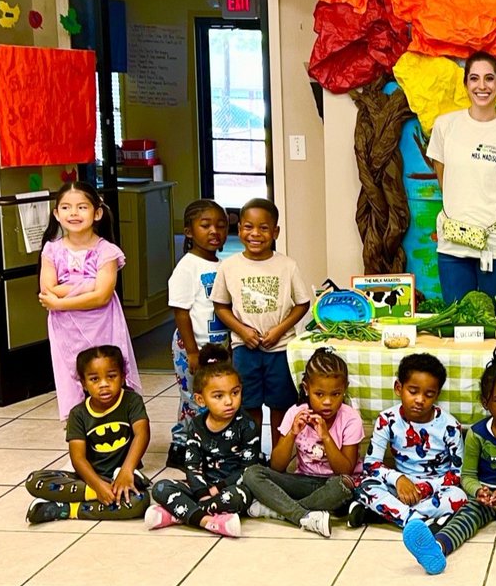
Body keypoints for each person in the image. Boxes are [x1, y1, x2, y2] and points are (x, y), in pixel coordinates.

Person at [401, 350, 496, 580]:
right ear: (486, 403)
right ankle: (437, 548)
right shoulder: (476, 433)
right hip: (483, 496)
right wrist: (479, 492)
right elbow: (468, 475)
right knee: (464, 518)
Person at [427, 51, 496, 305]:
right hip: (452, 247)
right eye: (474, 79)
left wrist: (488, 226)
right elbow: (444, 178)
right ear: (465, 84)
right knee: (457, 323)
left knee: (493, 326)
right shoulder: (445, 126)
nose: (481, 86)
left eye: (489, 79)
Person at [211, 198, 311, 446]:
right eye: (248, 227)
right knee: (248, 404)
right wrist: (242, 331)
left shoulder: (287, 265)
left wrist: (279, 329)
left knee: (281, 405)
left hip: (281, 349)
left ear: (275, 232)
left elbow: (302, 303)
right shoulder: (229, 266)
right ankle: (252, 454)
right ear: (239, 229)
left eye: (264, 228)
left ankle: (279, 455)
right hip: (245, 349)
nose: (255, 233)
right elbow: (220, 306)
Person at [38, 181, 142, 419]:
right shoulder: (51, 250)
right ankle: (79, 440)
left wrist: (61, 301)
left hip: (102, 326)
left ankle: (116, 437)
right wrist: (90, 284)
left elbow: (102, 296)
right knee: (72, 379)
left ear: (97, 213)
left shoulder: (107, 251)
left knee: (106, 374)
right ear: (56, 213)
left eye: (82, 207)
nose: (73, 213)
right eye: (65, 207)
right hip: (66, 331)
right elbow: (48, 290)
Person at [244, 348, 363, 538]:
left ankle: (282, 511)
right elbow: (277, 465)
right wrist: (292, 433)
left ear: (345, 389)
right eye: (319, 394)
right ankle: (304, 515)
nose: (327, 402)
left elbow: (345, 470)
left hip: (334, 484)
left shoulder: (350, 418)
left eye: (336, 394)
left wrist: (326, 437)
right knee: (252, 473)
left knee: (344, 486)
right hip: (303, 481)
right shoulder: (295, 412)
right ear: (306, 389)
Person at [25, 345, 151, 523]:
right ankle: (95, 496)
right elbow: (78, 458)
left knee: (139, 503)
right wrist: (97, 486)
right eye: (94, 379)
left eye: (111, 376)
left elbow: (142, 434)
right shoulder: (78, 414)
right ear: (84, 383)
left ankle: (66, 509)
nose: (104, 384)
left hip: (122, 475)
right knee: (34, 480)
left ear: (123, 377)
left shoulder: (131, 401)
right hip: (89, 478)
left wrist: (127, 470)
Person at [146, 345, 262, 537]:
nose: (229, 401)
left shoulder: (246, 425)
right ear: (200, 400)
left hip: (232, 488)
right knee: (160, 487)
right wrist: (201, 492)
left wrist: (218, 488)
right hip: (202, 488)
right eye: (218, 396)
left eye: (235, 392)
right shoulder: (196, 425)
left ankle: (181, 513)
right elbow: (192, 465)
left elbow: (248, 469)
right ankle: (207, 521)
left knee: (239, 497)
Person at [349, 353, 466, 528]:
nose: (420, 400)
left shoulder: (450, 426)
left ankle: (388, 513)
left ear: (437, 394)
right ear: (398, 388)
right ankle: (420, 521)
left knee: (459, 497)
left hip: (435, 488)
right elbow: (371, 465)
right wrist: (398, 479)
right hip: (400, 486)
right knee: (364, 485)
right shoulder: (387, 419)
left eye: (429, 394)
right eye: (413, 391)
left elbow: (456, 473)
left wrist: (425, 488)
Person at [167, 198, 230, 469]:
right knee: (193, 397)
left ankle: (209, 444)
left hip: (219, 346)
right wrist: (192, 351)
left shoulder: (222, 266)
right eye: (205, 225)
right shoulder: (187, 267)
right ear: (190, 231)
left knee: (214, 395)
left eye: (221, 225)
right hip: (192, 346)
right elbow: (181, 311)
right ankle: (181, 446)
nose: (214, 231)